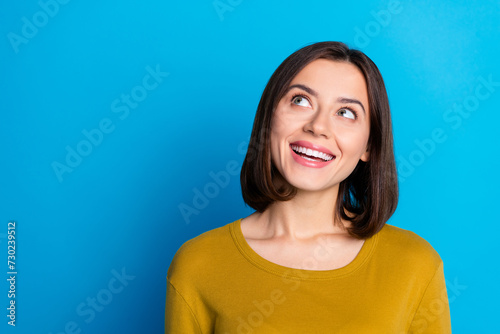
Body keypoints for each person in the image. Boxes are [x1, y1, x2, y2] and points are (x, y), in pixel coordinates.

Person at [165, 41, 451, 333]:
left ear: (369, 146)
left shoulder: (414, 265)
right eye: (301, 100)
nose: (318, 126)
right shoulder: (198, 264)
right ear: (270, 117)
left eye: (346, 112)